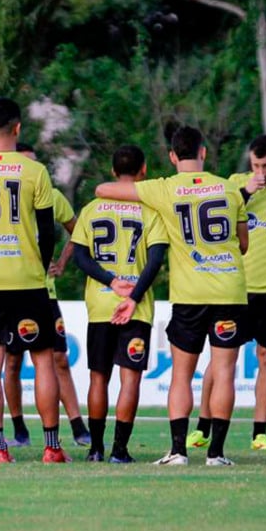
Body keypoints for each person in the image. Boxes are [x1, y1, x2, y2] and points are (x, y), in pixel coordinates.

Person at [94, 125, 249, 466]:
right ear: (204, 152)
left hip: (190, 294)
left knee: (182, 373)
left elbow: (102, 188)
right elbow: (244, 244)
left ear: (172, 157)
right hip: (229, 290)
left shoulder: (164, 189)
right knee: (224, 372)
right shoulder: (230, 189)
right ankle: (216, 454)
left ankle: (178, 450)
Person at [0, 97, 68, 464]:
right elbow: (46, 229)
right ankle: (52, 447)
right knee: (42, 360)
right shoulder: (34, 171)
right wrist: (40, 264)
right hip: (26, 277)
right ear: (18, 129)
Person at [192, 135, 266, 451]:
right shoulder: (235, 184)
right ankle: (202, 427)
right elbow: (214, 218)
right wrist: (245, 193)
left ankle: (259, 433)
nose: (262, 172)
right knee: (220, 359)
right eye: (256, 165)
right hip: (235, 289)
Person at [71, 145, 168, 462]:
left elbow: (81, 258)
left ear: (113, 173)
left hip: (100, 305)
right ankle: (119, 450)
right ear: (143, 171)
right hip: (136, 307)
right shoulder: (151, 211)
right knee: (130, 378)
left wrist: (110, 281)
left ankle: (96, 449)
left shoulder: (91, 209)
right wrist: (134, 293)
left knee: (99, 377)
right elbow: (155, 261)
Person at [11, 143, 90, 447]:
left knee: (58, 358)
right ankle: (19, 429)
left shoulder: (52, 197)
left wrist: (63, 262)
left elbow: (78, 229)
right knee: (13, 361)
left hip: (44, 290)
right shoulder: (7, 198)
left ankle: (77, 424)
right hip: (11, 289)